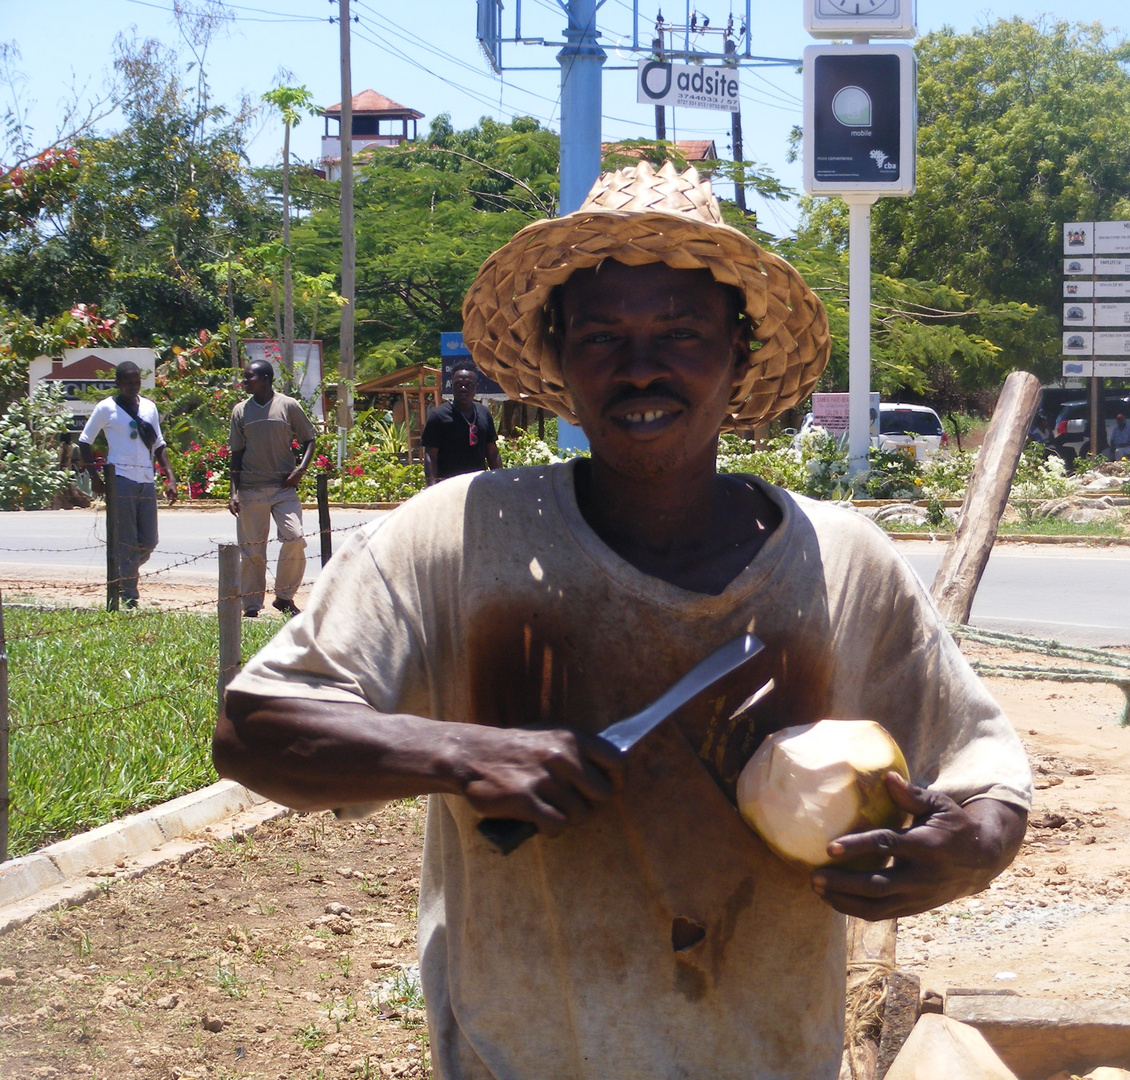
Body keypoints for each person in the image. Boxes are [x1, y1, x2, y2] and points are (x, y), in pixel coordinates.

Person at [213, 162, 1031, 1080]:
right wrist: (460, 751)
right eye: (603, 335)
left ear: (740, 351)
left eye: (680, 332)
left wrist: (956, 852)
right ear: (560, 358)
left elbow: (987, 782)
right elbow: (254, 729)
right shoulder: (460, 539)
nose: (641, 366)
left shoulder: (842, 563)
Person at [78, 360, 178, 607]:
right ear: (118, 383)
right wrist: (95, 478)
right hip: (120, 479)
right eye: (128, 382)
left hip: (146, 479)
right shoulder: (106, 408)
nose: (133, 386)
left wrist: (170, 477)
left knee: (149, 540)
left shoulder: (149, 408)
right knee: (127, 539)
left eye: (137, 382)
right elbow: (84, 441)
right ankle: (129, 594)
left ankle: (124, 571)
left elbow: (158, 444)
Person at [228, 359, 316, 618]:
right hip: (250, 490)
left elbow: (309, 439)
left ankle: (284, 596)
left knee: (295, 538)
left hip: (283, 488)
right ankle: (252, 605)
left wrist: (300, 470)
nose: (244, 382)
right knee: (253, 550)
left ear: (265, 378)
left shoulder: (288, 405)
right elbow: (236, 453)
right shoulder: (240, 411)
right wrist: (233, 492)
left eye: (249, 378)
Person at [421, 360, 500, 485]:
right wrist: (432, 487)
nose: (463, 388)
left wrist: (500, 480)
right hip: (448, 486)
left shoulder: (484, 413)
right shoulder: (438, 416)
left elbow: (492, 452)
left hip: (478, 485)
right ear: (451, 386)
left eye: (468, 384)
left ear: (476, 387)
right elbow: (431, 456)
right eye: (458, 384)